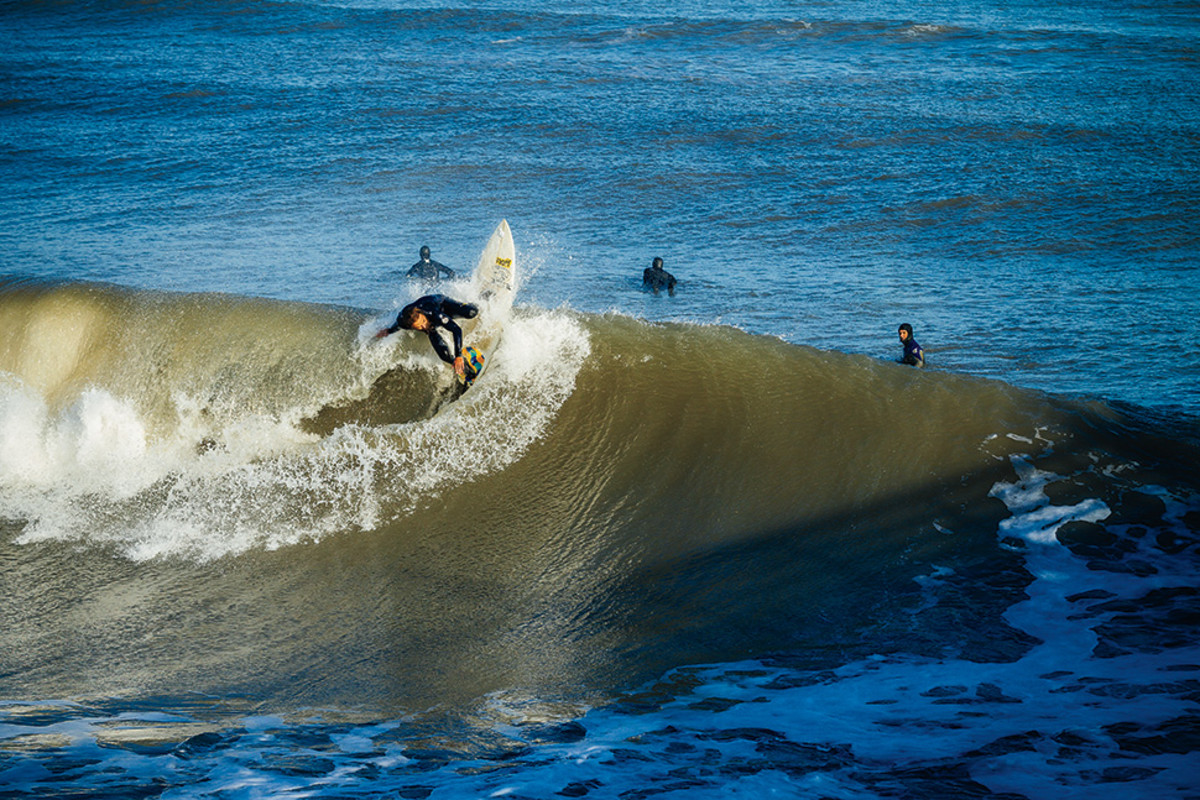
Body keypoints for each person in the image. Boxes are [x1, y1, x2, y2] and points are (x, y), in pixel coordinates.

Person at [376, 294, 479, 379]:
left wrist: (459, 355)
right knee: (445, 356)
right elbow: (397, 325)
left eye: (423, 322)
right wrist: (389, 331)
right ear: (411, 327)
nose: (423, 326)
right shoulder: (404, 322)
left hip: (443, 305)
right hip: (430, 322)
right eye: (419, 327)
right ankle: (467, 369)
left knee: (471, 313)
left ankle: (478, 300)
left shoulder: (434, 314)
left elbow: (456, 330)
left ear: (422, 315)